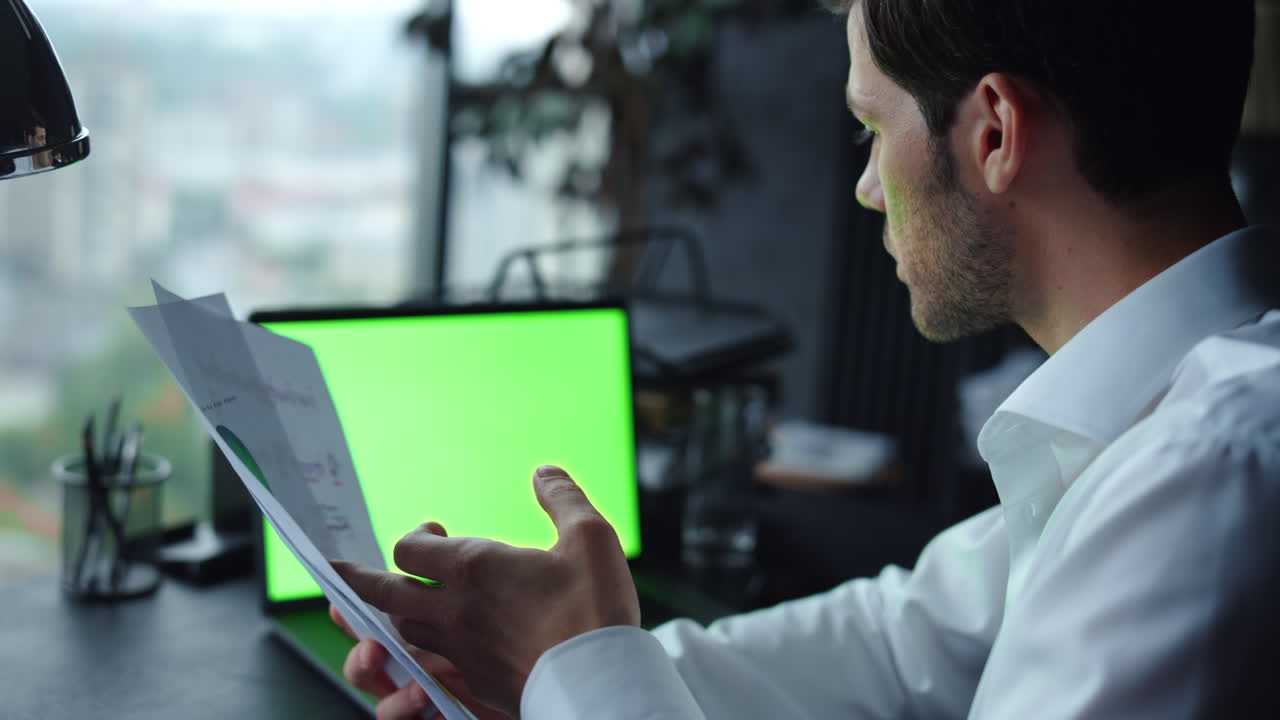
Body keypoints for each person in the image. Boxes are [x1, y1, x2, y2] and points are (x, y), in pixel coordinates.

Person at [332, 0, 1280, 717]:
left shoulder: (1209, 474)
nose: (869, 187)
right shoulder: (1157, 436)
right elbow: (909, 637)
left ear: (993, 132)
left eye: (873, 128)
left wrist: (583, 675)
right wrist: (554, 667)